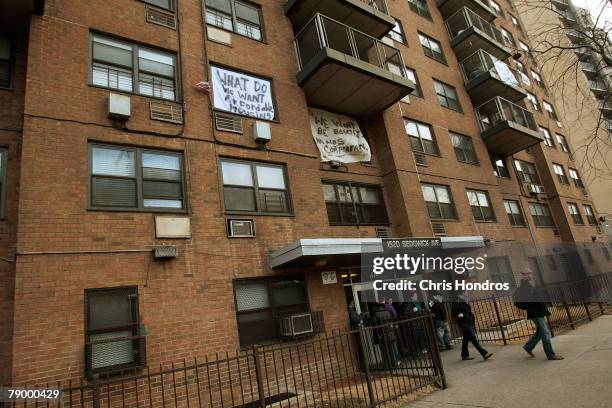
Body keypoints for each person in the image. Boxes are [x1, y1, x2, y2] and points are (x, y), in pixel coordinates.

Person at [516, 272, 564, 361]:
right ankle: (550, 355)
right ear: (523, 276)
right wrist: (530, 306)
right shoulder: (523, 288)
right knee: (545, 332)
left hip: (539, 310)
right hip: (535, 311)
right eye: (526, 274)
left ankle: (528, 347)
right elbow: (521, 300)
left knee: (540, 331)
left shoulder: (532, 284)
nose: (529, 275)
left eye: (530, 273)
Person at [452, 292, 493, 361]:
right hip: (463, 322)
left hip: (469, 321)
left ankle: (464, 355)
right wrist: (461, 316)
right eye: (465, 291)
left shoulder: (465, 299)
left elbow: (469, 310)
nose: (466, 292)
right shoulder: (456, 300)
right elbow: (454, 311)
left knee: (466, 338)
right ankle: (484, 353)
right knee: (472, 337)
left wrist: (472, 318)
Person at [370, 299, 401, 369]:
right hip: (390, 332)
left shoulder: (375, 314)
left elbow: (374, 325)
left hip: (382, 335)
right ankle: (396, 363)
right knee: (393, 348)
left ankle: (387, 365)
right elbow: (392, 319)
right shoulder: (387, 311)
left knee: (384, 351)